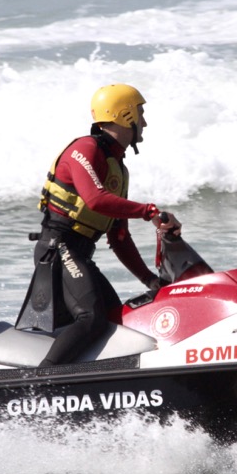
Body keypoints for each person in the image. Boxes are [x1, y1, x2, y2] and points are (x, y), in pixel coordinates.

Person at [35, 83, 181, 367]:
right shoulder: (84, 149)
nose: (145, 122)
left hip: (78, 254)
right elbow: (95, 200)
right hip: (59, 248)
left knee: (117, 316)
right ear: (124, 115)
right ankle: (40, 383)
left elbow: (119, 237)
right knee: (92, 318)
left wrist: (150, 280)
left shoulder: (118, 168)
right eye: (140, 113)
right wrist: (148, 211)